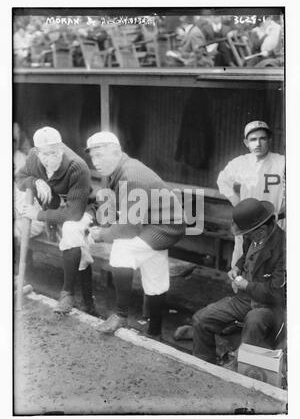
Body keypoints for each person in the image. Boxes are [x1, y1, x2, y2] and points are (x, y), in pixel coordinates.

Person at [85, 131, 186, 338]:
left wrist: (101, 234)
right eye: (93, 156)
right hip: (157, 225)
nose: (96, 161)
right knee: (154, 273)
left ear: (116, 152)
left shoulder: (130, 175)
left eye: (100, 155)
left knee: (123, 247)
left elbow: (129, 229)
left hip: (163, 228)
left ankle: (121, 314)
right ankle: (155, 332)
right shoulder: (120, 169)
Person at [191, 198, 285, 364]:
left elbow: (276, 294)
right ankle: (204, 366)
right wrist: (237, 268)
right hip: (243, 299)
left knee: (254, 321)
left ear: (261, 230)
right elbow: (245, 257)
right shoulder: (253, 237)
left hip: (267, 306)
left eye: (247, 233)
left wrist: (247, 285)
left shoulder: (284, 248)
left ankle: (237, 372)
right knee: (201, 319)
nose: (245, 237)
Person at [15, 126, 96, 315]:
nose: (47, 158)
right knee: (78, 249)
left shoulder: (77, 166)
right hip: (54, 208)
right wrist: (36, 181)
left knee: (72, 232)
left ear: (61, 148)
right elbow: (20, 180)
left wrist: (38, 215)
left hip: (84, 209)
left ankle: (69, 293)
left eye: (52, 153)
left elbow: (74, 214)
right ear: (36, 151)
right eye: (43, 153)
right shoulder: (34, 158)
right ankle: (87, 304)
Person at [217, 120, 285, 267]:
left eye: (263, 138)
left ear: (270, 140)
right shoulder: (240, 163)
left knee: (273, 269)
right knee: (243, 263)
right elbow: (222, 181)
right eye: (253, 139)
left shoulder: (282, 162)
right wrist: (238, 204)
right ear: (246, 142)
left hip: (276, 223)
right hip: (249, 224)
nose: (258, 143)